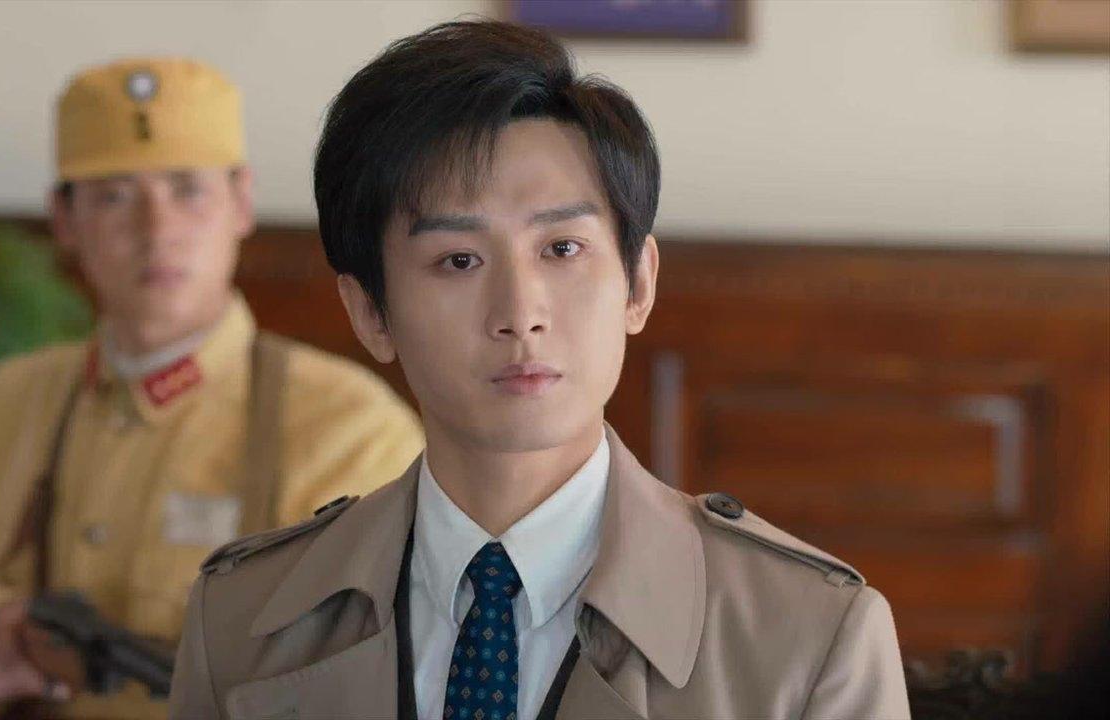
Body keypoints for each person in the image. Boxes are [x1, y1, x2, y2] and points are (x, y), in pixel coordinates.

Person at [168, 21, 910, 720]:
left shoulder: (810, 637)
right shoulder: (239, 619)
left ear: (638, 284)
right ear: (370, 312)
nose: (520, 313)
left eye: (562, 249)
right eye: (459, 260)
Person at [0, 57, 424, 719]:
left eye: (187, 190)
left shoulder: (349, 427)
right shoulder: (22, 398)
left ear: (240, 202)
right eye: (114, 195)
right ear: (64, 218)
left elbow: (389, 670)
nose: (156, 230)